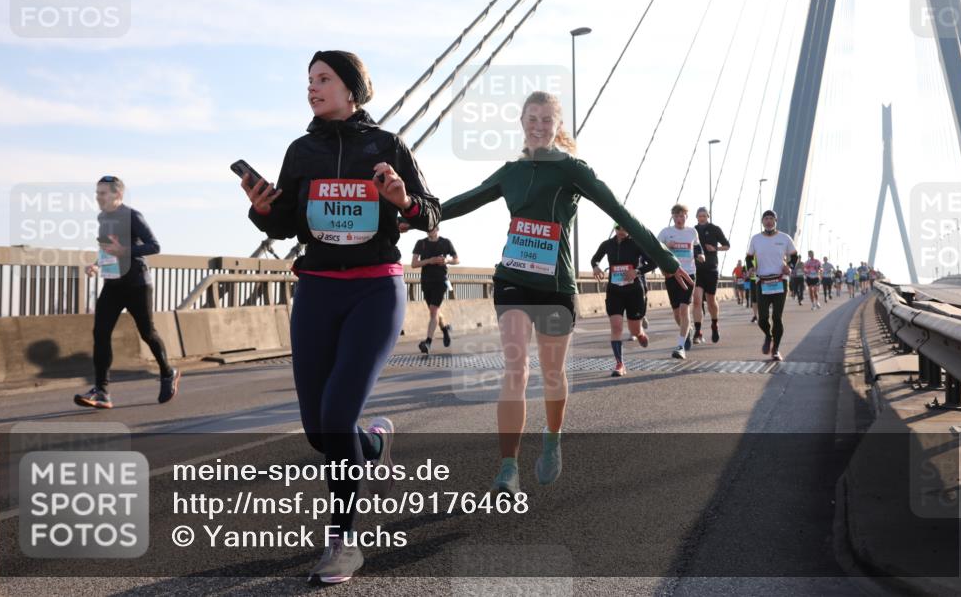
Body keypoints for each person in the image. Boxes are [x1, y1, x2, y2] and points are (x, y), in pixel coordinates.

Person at [242, 50, 440, 584]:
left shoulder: (387, 145)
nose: (312, 88)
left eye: (324, 79)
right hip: (317, 292)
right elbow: (285, 224)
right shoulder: (300, 150)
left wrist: (404, 201)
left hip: (374, 291)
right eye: (309, 81)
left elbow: (431, 211)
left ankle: (343, 541)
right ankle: (374, 442)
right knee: (318, 431)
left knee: (335, 418)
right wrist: (262, 207)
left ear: (352, 88)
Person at [439, 90, 690, 496]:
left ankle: (552, 439)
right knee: (516, 370)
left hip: (555, 286)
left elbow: (620, 213)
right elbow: (464, 201)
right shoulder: (510, 172)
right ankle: (508, 468)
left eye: (547, 120)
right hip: (512, 279)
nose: (538, 125)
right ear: (522, 123)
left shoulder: (573, 170)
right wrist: (414, 213)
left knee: (553, 373)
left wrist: (665, 259)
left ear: (558, 127)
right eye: (532, 118)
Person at [75, 176, 180, 410]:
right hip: (113, 284)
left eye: (103, 193)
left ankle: (167, 372)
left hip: (136, 284)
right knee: (100, 333)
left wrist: (126, 250)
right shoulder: (103, 218)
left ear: (117, 196)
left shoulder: (132, 216)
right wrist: (96, 264)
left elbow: (154, 246)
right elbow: (108, 250)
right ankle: (102, 392)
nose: (98, 197)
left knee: (147, 332)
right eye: (97, 192)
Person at [591, 224, 656, 377]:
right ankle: (619, 364)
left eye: (625, 227)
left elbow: (653, 263)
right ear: (614, 228)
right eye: (619, 227)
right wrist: (595, 266)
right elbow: (595, 259)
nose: (622, 231)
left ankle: (639, 332)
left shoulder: (637, 243)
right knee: (616, 326)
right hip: (615, 290)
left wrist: (637, 271)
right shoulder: (607, 244)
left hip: (634, 291)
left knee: (634, 330)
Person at [745, 210, 798, 362]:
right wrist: (750, 268)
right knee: (762, 319)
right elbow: (748, 257)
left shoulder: (784, 238)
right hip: (762, 282)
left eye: (771, 219)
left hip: (780, 281)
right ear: (762, 221)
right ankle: (768, 337)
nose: (768, 221)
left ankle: (776, 349)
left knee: (777, 317)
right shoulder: (756, 239)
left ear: (775, 221)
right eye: (766, 219)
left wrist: (790, 267)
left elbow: (794, 255)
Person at [657, 204, 704, 359]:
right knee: (677, 312)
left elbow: (697, 247)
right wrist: (665, 246)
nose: (679, 219)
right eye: (676, 216)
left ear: (686, 217)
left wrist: (700, 255)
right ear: (673, 217)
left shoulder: (692, 232)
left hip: (689, 273)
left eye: (682, 216)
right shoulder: (666, 232)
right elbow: (655, 250)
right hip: (671, 275)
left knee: (684, 309)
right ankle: (687, 331)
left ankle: (680, 345)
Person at [411, 226, 459, 355]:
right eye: (427, 228)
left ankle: (428, 342)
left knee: (433, 311)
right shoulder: (421, 243)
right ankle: (445, 330)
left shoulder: (446, 242)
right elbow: (414, 264)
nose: (428, 230)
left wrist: (447, 260)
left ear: (437, 228)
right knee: (434, 312)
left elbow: (457, 259)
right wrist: (429, 261)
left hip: (441, 281)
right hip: (426, 282)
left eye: (431, 228)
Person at [692, 207, 730, 344]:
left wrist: (715, 249)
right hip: (696, 270)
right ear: (696, 217)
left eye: (704, 215)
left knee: (711, 300)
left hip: (711, 269)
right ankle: (698, 331)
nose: (702, 218)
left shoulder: (715, 229)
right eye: (699, 215)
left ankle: (714, 324)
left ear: (708, 216)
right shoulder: (692, 231)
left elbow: (727, 245)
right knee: (696, 301)